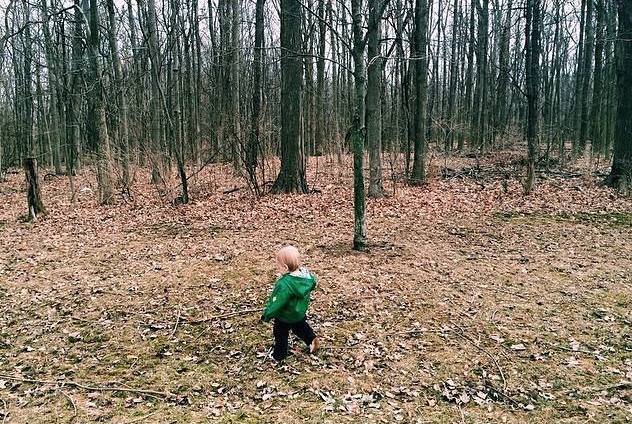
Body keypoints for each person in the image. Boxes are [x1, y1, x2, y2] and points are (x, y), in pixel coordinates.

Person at [261, 245, 318, 362]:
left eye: (279, 266)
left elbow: (277, 303)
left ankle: (278, 355)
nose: (277, 268)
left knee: (280, 333)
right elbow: (313, 284)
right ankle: (311, 339)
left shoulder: (285, 284)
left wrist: (267, 314)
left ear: (285, 267)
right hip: (299, 313)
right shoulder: (307, 277)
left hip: (285, 316)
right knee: (300, 327)